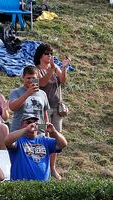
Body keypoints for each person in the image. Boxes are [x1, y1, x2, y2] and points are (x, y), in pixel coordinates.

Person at [34, 43, 70, 180]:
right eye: (47, 54)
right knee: (43, 136)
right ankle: (42, 166)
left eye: (51, 54)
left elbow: (63, 80)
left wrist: (63, 68)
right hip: (43, 110)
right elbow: (42, 83)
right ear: (40, 56)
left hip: (57, 109)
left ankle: (52, 167)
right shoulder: (37, 69)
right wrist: (51, 69)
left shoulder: (54, 68)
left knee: (56, 136)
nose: (49, 56)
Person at [6, 115, 66, 181]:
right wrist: (26, 129)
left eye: (35, 123)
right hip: (21, 187)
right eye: (29, 122)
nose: (32, 125)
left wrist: (54, 132)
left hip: (43, 187)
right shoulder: (18, 140)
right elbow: (7, 141)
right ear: (21, 126)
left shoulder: (44, 140)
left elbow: (63, 144)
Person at [8, 65, 50, 134]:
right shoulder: (16, 92)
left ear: (37, 78)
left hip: (38, 133)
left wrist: (46, 132)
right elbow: (12, 107)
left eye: (33, 78)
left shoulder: (43, 94)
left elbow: (44, 115)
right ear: (23, 77)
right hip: (19, 132)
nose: (31, 80)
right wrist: (28, 93)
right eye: (28, 78)